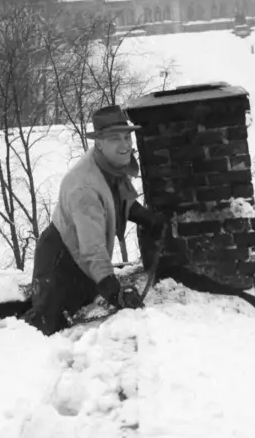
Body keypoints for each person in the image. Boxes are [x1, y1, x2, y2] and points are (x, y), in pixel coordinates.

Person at [24, 104, 168, 335]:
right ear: (99, 143)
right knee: (48, 329)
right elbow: (92, 249)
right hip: (61, 262)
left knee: (80, 314)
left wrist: (145, 218)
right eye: (115, 139)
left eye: (126, 137)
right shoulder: (85, 188)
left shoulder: (107, 165)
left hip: (79, 260)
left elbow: (117, 198)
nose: (125, 145)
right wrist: (116, 293)